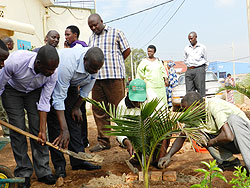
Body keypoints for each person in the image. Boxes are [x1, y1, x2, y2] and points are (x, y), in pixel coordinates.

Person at [0, 45, 59, 188]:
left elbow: (45, 102)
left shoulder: (52, 73)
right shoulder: (15, 61)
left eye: (53, 69)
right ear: (38, 64)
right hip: (12, 91)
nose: (52, 73)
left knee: (38, 129)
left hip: (33, 92)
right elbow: (0, 86)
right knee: (17, 128)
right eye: (49, 70)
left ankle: (43, 171)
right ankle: (23, 172)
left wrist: (42, 130)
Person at [158, 91, 250, 173]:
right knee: (198, 134)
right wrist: (168, 156)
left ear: (197, 105)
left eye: (187, 110)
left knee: (233, 119)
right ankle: (229, 162)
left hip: (245, 139)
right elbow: (182, 136)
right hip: (231, 144)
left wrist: (212, 142)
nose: (186, 114)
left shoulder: (214, 105)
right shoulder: (195, 116)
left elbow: (228, 136)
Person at [47, 47, 104, 178]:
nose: (94, 72)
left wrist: (76, 107)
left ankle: (79, 160)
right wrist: (64, 129)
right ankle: (60, 165)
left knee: (75, 122)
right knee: (57, 127)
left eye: (97, 69)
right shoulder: (67, 64)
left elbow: (85, 91)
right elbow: (58, 97)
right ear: (84, 60)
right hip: (55, 85)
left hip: (72, 86)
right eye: (92, 69)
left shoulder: (95, 65)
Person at [88, 13, 131, 152]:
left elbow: (127, 51)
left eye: (95, 25)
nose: (94, 28)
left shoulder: (116, 33)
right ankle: (103, 141)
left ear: (101, 21)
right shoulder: (91, 38)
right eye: (91, 26)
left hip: (114, 77)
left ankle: (124, 139)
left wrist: (115, 64)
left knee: (119, 109)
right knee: (99, 110)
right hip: (97, 79)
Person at [117, 78, 169, 163]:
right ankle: (138, 155)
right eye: (135, 101)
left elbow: (164, 122)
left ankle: (160, 157)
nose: (138, 103)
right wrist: (126, 141)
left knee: (164, 130)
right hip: (135, 135)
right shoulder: (122, 106)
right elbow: (118, 129)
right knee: (141, 161)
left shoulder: (154, 99)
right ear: (129, 94)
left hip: (153, 133)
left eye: (141, 100)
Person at [64, 25, 89, 148]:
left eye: (68, 34)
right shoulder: (80, 46)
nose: (66, 37)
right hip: (75, 87)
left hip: (76, 88)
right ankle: (83, 140)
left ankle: (82, 140)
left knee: (78, 115)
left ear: (75, 35)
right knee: (79, 114)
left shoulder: (77, 46)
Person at [184, 32, 208, 97]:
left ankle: (201, 106)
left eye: (191, 38)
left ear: (196, 37)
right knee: (189, 92)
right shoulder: (186, 48)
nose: (190, 40)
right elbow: (185, 59)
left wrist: (202, 70)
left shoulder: (202, 47)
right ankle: (192, 106)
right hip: (189, 70)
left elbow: (206, 60)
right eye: (189, 39)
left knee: (201, 90)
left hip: (199, 69)